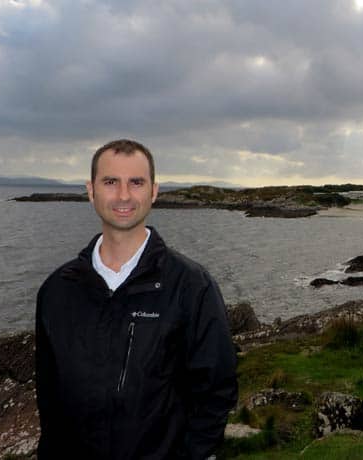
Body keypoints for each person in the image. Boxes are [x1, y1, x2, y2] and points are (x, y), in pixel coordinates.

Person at [35, 139, 238, 459]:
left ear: (154, 191)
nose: (124, 195)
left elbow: (215, 391)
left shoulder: (191, 286)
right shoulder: (57, 290)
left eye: (136, 182)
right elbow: (49, 399)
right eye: (111, 181)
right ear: (91, 190)